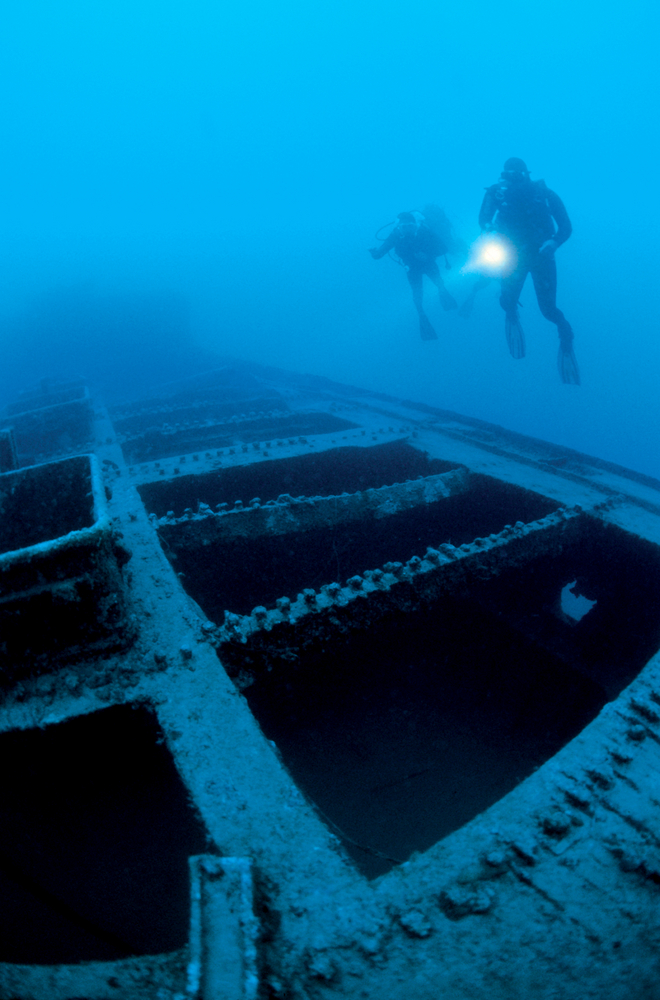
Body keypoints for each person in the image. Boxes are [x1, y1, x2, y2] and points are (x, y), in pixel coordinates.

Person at [479, 157, 580, 384]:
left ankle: (565, 338)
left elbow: (566, 227)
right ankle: (512, 314)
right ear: (504, 174)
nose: (514, 178)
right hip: (512, 257)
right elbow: (483, 219)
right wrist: (489, 231)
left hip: (541, 256)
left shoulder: (544, 194)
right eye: (510, 174)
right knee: (507, 300)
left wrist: (554, 243)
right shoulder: (496, 194)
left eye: (519, 174)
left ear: (527, 174)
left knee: (548, 310)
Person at [369, 211, 457, 340]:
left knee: (439, 284)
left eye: (410, 226)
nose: (407, 229)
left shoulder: (424, 231)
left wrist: (428, 255)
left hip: (428, 263)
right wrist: (374, 254)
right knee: (417, 293)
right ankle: (422, 317)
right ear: (399, 227)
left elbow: (444, 248)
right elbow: (381, 253)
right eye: (404, 227)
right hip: (411, 267)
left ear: (416, 225)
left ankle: (444, 295)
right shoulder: (396, 235)